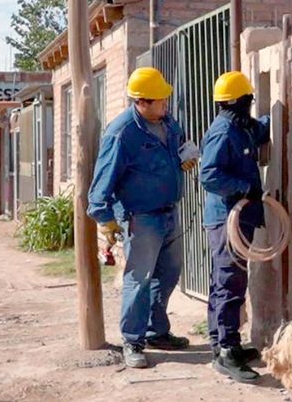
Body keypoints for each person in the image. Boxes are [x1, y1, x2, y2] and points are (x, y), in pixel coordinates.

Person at [87, 67, 197, 368]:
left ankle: (156, 331)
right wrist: (105, 219)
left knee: (168, 274)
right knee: (139, 281)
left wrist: (184, 158)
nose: (166, 104)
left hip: (169, 211)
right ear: (141, 102)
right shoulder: (122, 133)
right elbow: (102, 181)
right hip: (141, 218)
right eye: (160, 101)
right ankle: (132, 340)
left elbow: (178, 145)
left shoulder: (168, 122)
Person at [199, 71, 270, 383]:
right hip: (227, 218)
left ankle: (223, 345)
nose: (251, 105)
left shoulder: (240, 126)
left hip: (238, 217)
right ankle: (227, 351)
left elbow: (259, 129)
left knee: (225, 282)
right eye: (248, 100)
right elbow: (209, 175)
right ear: (241, 101)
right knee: (229, 282)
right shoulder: (224, 131)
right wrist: (244, 188)